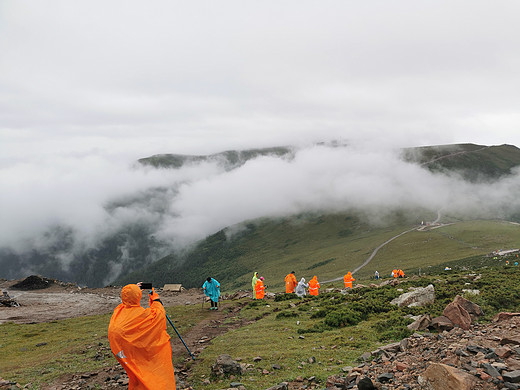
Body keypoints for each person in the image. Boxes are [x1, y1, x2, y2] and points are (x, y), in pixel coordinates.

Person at [108, 283, 176, 389]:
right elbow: (159, 314)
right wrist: (155, 299)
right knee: (145, 367)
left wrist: (133, 290)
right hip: (135, 350)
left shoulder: (118, 311)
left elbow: (126, 299)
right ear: (138, 296)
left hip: (121, 351)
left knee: (135, 370)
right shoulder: (144, 315)